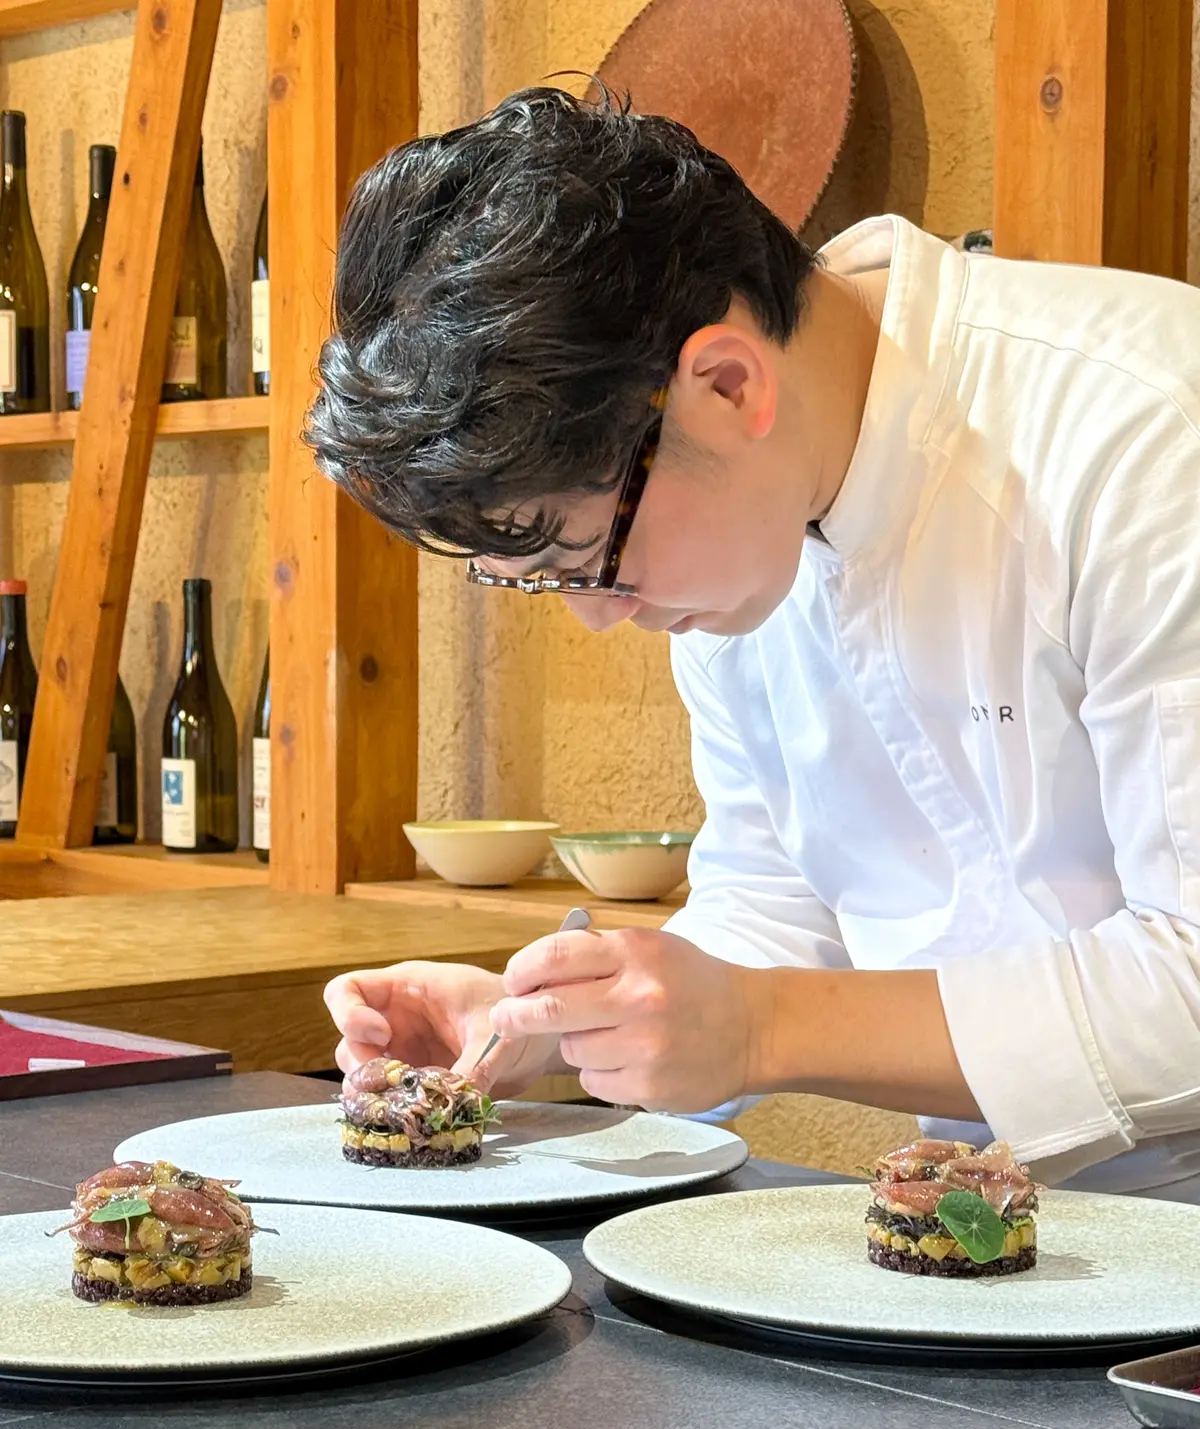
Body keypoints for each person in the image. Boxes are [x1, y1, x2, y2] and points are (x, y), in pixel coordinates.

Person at [307, 86, 1200, 1200]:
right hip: (1013, 1244)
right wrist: (550, 1021)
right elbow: (777, 899)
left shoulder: (1148, 432)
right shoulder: (740, 533)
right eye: (542, 582)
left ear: (727, 383)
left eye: (590, 558)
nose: (600, 613)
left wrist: (762, 1028)